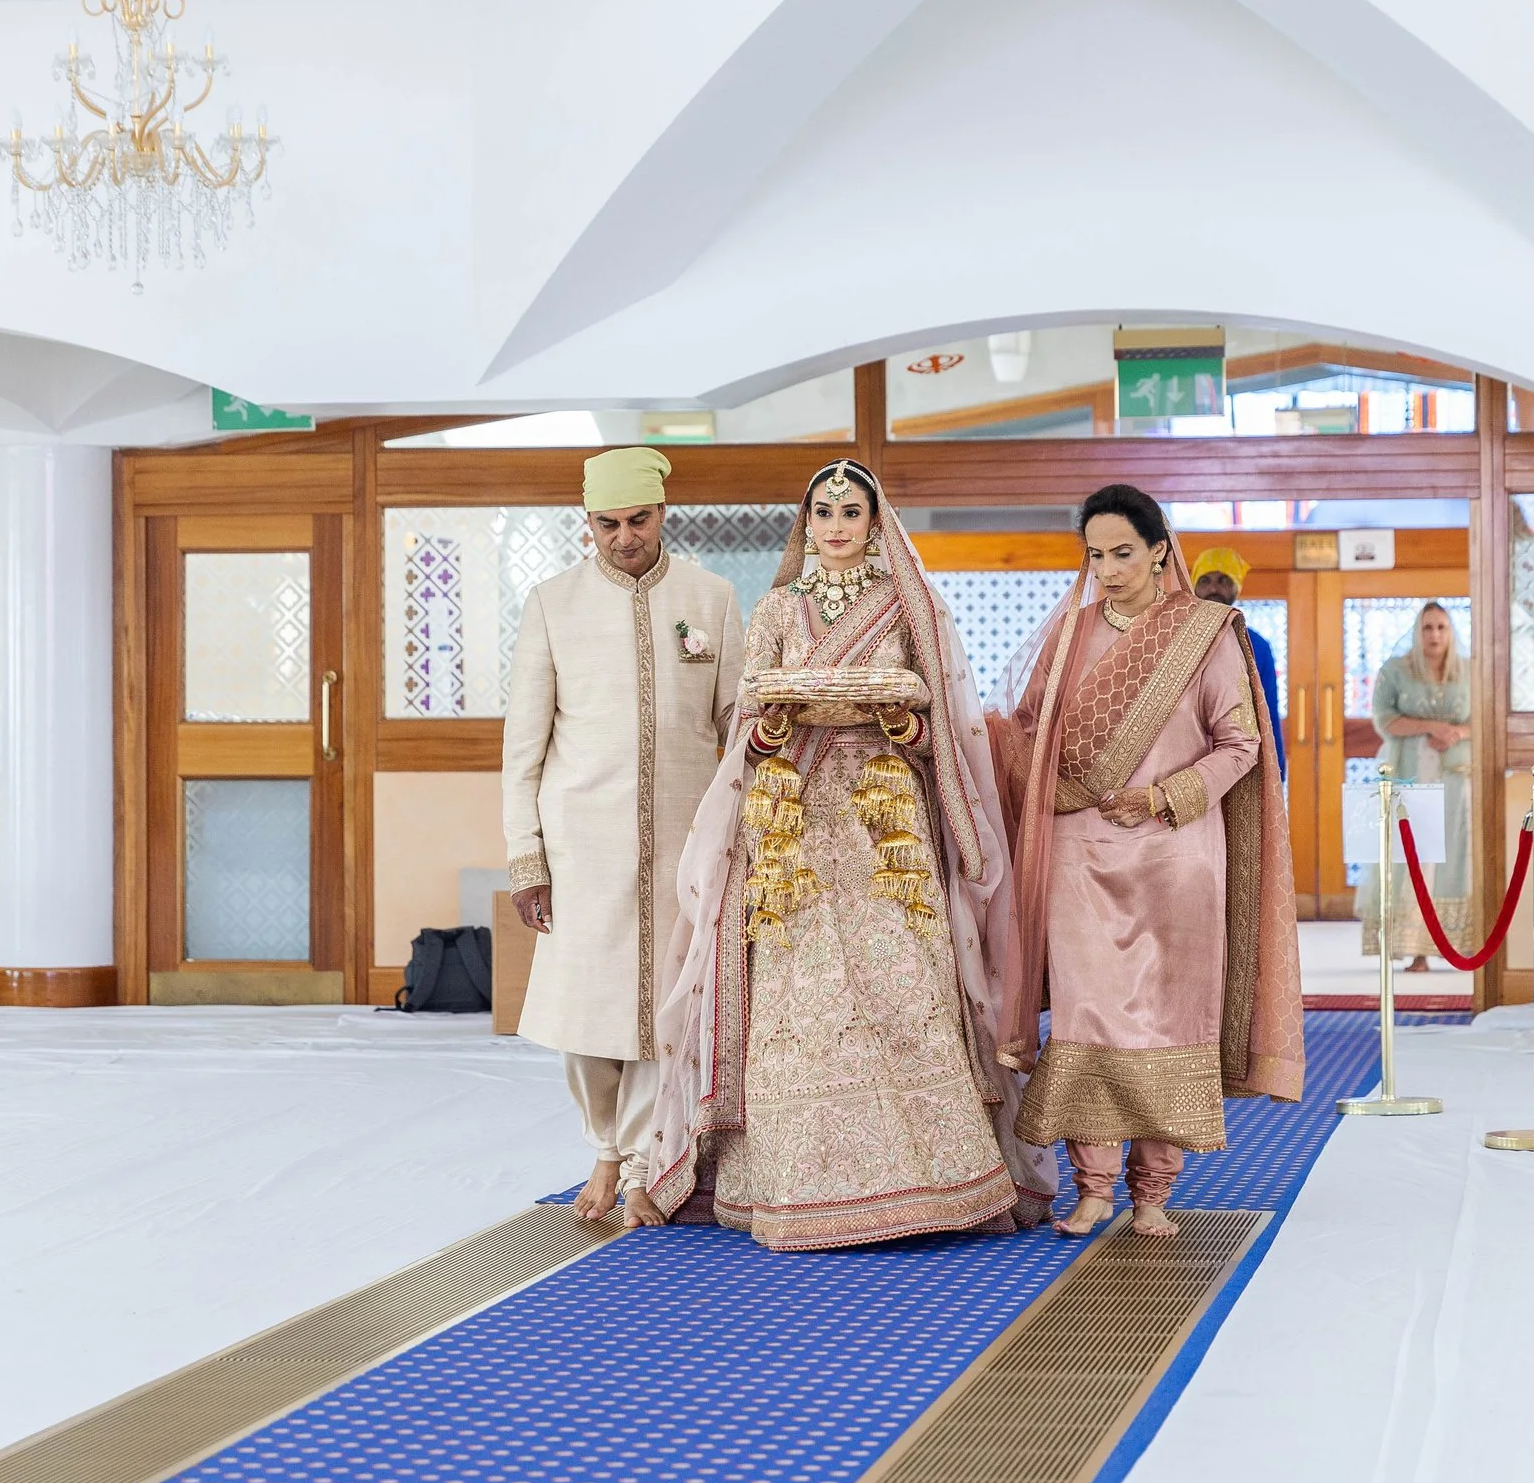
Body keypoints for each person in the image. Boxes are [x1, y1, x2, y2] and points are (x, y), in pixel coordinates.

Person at [646, 460, 1054, 1250]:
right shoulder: (774, 609)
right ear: (808, 520)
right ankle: (799, 1184)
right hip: (793, 824)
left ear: (876, 521)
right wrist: (773, 726)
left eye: (852, 510)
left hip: (883, 823)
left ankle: (936, 1180)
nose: (836, 523)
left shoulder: (908, 610)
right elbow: (752, 726)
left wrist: (898, 722)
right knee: (804, 991)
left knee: (905, 976)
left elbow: (942, 729)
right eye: (824, 510)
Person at [997, 484, 1305, 1238]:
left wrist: (1164, 795)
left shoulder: (1206, 634)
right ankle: (1093, 1186)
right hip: (1079, 853)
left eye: (1122, 553)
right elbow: (1031, 731)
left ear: (1160, 548)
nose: (1106, 568)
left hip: (1173, 858)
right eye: (1095, 554)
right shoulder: (1068, 636)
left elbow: (1240, 745)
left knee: (1166, 1020)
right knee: (1087, 1012)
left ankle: (1154, 1192)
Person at [502, 447, 745, 1227]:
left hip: (682, 839)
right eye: (606, 524)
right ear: (589, 524)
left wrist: (744, 834)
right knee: (589, 1009)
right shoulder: (553, 603)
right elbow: (523, 746)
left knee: (662, 1007)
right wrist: (527, 856)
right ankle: (604, 1146)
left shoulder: (708, 597)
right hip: (584, 846)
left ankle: (643, 1163)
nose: (623, 537)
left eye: (637, 520)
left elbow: (738, 727)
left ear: (663, 513)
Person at [1358, 602, 1471, 973]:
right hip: (1410, 772)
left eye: (1441, 627)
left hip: (1456, 775)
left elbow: (1484, 716)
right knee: (1413, 853)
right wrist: (1429, 727)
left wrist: (1457, 732)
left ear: (1451, 631)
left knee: (1452, 855)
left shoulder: (1468, 671)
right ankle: (1414, 948)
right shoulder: (1395, 670)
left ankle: (1455, 945)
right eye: (1427, 628)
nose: (1435, 635)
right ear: (1417, 631)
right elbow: (1385, 720)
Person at [1189, 547, 1284, 775]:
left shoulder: (1256, 645)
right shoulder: (1178, 637)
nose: (1213, 588)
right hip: (1188, 758)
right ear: (1193, 586)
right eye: (1205, 580)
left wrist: (1275, 766)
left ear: (1236, 587)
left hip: (1241, 756)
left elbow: (1267, 709)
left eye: (1224, 580)